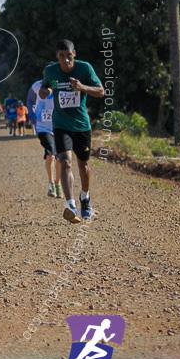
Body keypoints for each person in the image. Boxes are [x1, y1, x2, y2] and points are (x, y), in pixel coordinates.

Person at [38, 39, 104, 223]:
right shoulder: (50, 70)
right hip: (60, 125)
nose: (66, 60)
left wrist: (82, 87)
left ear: (74, 53)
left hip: (82, 125)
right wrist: (45, 91)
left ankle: (85, 197)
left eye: (69, 56)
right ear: (57, 57)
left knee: (83, 165)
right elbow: (46, 85)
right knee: (66, 163)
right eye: (61, 56)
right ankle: (70, 205)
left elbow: (101, 91)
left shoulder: (85, 68)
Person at [31, 79, 60, 198]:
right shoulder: (37, 85)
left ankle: (58, 184)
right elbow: (30, 100)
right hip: (43, 127)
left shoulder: (59, 84)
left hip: (59, 126)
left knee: (61, 158)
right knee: (51, 155)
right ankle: (51, 183)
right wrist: (32, 116)